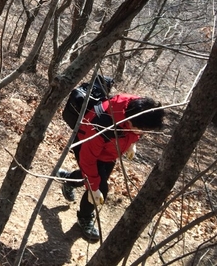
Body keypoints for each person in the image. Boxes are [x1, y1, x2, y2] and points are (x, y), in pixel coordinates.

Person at [58, 93, 165, 242]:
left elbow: (136, 129)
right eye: (139, 129)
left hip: (109, 151)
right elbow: (87, 159)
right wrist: (94, 188)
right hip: (87, 145)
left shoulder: (141, 108)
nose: (141, 133)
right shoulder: (103, 123)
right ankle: (85, 218)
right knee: (99, 188)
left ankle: (68, 179)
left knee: (91, 179)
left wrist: (132, 143)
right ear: (130, 121)